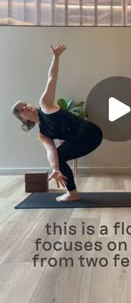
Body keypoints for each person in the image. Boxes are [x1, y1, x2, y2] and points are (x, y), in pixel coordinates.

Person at [12, 44, 103, 202]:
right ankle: (72, 193)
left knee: (61, 155)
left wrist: (56, 57)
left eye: (26, 104)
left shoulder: (45, 105)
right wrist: (55, 169)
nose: (26, 106)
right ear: (23, 119)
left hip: (90, 132)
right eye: (22, 109)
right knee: (58, 158)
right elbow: (50, 151)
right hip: (85, 140)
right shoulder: (43, 133)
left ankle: (72, 194)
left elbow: (51, 79)